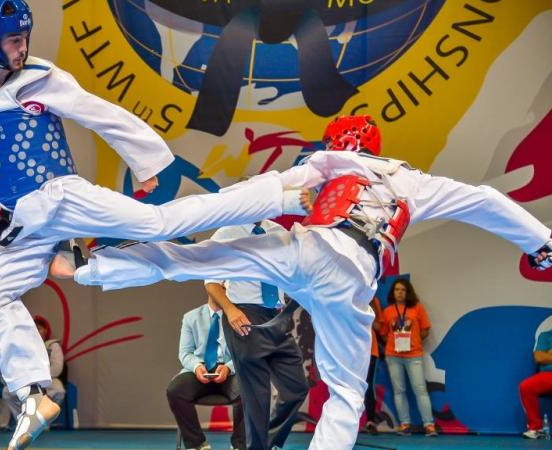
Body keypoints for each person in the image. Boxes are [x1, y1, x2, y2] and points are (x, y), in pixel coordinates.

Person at [66, 115, 552, 449]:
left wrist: (165, 221)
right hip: (353, 277)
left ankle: (95, 265)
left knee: (199, 254)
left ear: (336, 143)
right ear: (374, 148)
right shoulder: (413, 179)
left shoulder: (325, 163)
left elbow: (265, 195)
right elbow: (485, 199)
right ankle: (120, 252)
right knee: (344, 393)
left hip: (308, 250)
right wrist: (541, 243)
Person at [0, 2, 295, 448]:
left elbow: (100, 113)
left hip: (60, 195)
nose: (23, 47)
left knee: (158, 223)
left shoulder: (40, 79)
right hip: (25, 221)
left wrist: (145, 161)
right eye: (14, 40)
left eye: (25, 37)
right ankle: (35, 391)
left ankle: (272, 194)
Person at [205, 220, 308, 450]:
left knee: (296, 389)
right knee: (257, 395)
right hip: (243, 313)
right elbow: (211, 283)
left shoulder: (278, 232)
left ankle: (265, 443)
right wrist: (230, 310)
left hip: (277, 317)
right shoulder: (227, 232)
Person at [167, 298, 245, 450]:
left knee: (248, 389)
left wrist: (228, 368)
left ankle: (240, 445)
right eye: (217, 284)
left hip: (231, 371)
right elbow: (185, 353)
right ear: (209, 287)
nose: (222, 286)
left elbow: (244, 353)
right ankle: (197, 444)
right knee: (175, 390)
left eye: (225, 283)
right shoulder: (191, 317)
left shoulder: (238, 316)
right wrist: (196, 367)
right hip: (199, 370)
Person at [378, 280, 436, 436]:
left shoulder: (417, 308)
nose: (400, 292)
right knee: (399, 391)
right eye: (397, 289)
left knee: (420, 390)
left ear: (408, 291)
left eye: (403, 289)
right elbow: (383, 333)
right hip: (393, 356)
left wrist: (413, 341)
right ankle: (405, 424)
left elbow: (425, 330)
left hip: (414, 355)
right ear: (393, 292)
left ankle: (429, 425)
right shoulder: (388, 311)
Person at [0, 315, 67, 430]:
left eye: (39, 328)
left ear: (45, 330)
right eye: (33, 328)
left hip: (47, 380)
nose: (36, 331)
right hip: (28, 381)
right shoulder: (23, 346)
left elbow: (57, 369)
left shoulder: (52, 346)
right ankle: (23, 421)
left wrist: (39, 378)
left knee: (59, 390)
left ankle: (43, 420)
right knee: (7, 391)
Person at [519, 322, 552, 439]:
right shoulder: (545, 336)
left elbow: (544, 357)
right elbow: (539, 357)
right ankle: (535, 428)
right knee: (526, 386)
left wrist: (548, 355)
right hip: (549, 375)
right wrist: (545, 356)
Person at [363, 297, 383, 435]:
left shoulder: (374, 300)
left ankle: (370, 421)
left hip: (370, 350)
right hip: (349, 350)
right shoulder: (346, 292)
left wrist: (369, 312)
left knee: (368, 385)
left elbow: (379, 327)